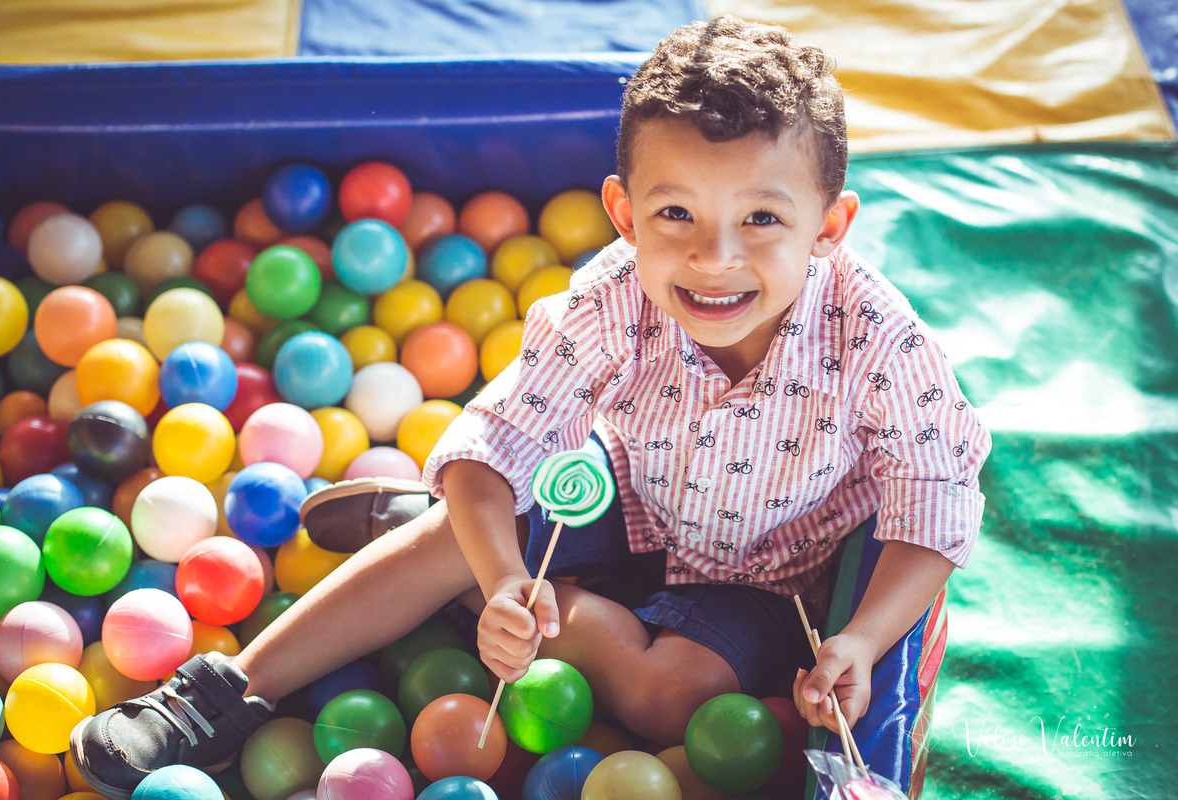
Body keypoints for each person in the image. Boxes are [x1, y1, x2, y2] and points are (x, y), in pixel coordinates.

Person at [70, 15, 991, 799]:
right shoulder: (608, 300)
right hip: (623, 492)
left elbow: (934, 502)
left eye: (761, 220)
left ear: (828, 227)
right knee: (464, 526)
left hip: (766, 571)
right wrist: (510, 574)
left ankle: (455, 558)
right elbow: (490, 448)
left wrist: (864, 641)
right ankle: (222, 693)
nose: (716, 260)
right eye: (677, 217)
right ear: (625, 214)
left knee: (673, 703)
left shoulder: (875, 336)